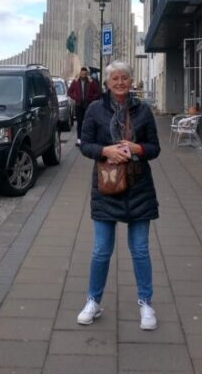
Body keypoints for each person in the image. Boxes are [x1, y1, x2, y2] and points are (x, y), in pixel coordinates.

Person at [77, 60, 161, 331]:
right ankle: (93, 301)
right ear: (107, 83)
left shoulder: (143, 111)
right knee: (101, 250)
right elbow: (85, 144)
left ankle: (146, 303)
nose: (120, 83)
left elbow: (155, 148)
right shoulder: (94, 109)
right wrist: (106, 151)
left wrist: (138, 148)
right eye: (115, 78)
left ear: (131, 81)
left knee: (139, 250)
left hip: (139, 187)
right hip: (107, 186)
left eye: (125, 78)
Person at [68, 66, 100, 145]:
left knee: (88, 122)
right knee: (79, 122)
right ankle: (79, 139)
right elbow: (69, 92)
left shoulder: (91, 82)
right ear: (80, 74)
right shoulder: (75, 82)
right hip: (79, 105)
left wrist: (91, 99)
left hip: (87, 105)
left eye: (85, 74)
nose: (83, 76)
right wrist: (76, 98)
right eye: (82, 74)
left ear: (87, 74)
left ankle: (88, 139)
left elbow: (98, 92)